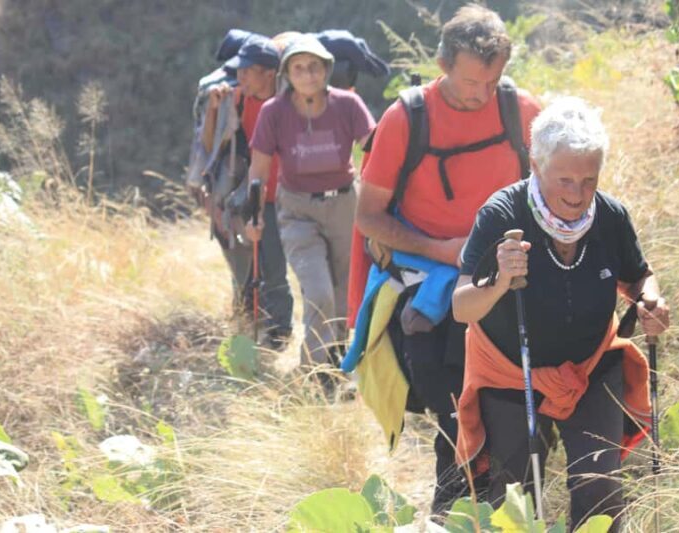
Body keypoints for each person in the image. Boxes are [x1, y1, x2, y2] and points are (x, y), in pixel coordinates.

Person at [354, 5, 541, 515]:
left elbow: (556, 194)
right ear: (442, 64)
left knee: (514, 412)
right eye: (470, 82)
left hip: (509, 281)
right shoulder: (406, 118)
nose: (482, 94)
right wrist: (443, 250)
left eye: (493, 79)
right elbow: (368, 217)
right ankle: (457, 514)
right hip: (431, 287)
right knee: (456, 412)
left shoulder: (520, 111)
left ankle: (502, 511)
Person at [452, 97, 670, 530]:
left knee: (600, 483)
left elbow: (640, 277)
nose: (577, 194)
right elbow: (461, 307)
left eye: (589, 180)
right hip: (512, 371)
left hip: (591, 364)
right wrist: (498, 282)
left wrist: (651, 302)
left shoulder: (608, 216)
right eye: (565, 179)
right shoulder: (502, 215)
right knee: (514, 494)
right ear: (535, 164)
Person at [248, 35, 376, 369]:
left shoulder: (348, 105)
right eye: (299, 68)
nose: (308, 75)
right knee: (319, 292)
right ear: (287, 74)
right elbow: (259, 169)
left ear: (327, 69)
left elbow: (374, 149)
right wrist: (255, 214)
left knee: (343, 291)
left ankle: (336, 363)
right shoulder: (273, 112)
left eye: (314, 67)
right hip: (297, 211)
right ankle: (314, 370)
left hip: (345, 206)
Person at [200, 34, 294, 348]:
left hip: (295, 195)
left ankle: (302, 332)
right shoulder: (237, 98)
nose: (239, 77)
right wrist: (214, 110)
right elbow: (211, 145)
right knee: (270, 269)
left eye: (246, 71)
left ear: (269, 73)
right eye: (238, 71)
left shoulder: (290, 99)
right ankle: (278, 335)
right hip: (261, 197)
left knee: (296, 268)